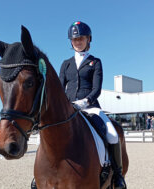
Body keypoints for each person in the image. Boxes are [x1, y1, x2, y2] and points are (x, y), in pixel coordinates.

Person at [59, 21, 126, 188]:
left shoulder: (95, 62)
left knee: (112, 134)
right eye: (75, 39)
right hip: (69, 109)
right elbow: (60, 88)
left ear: (88, 40)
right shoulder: (66, 64)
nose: (78, 41)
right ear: (71, 41)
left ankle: (117, 175)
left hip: (90, 106)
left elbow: (97, 89)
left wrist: (84, 101)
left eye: (81, 38)